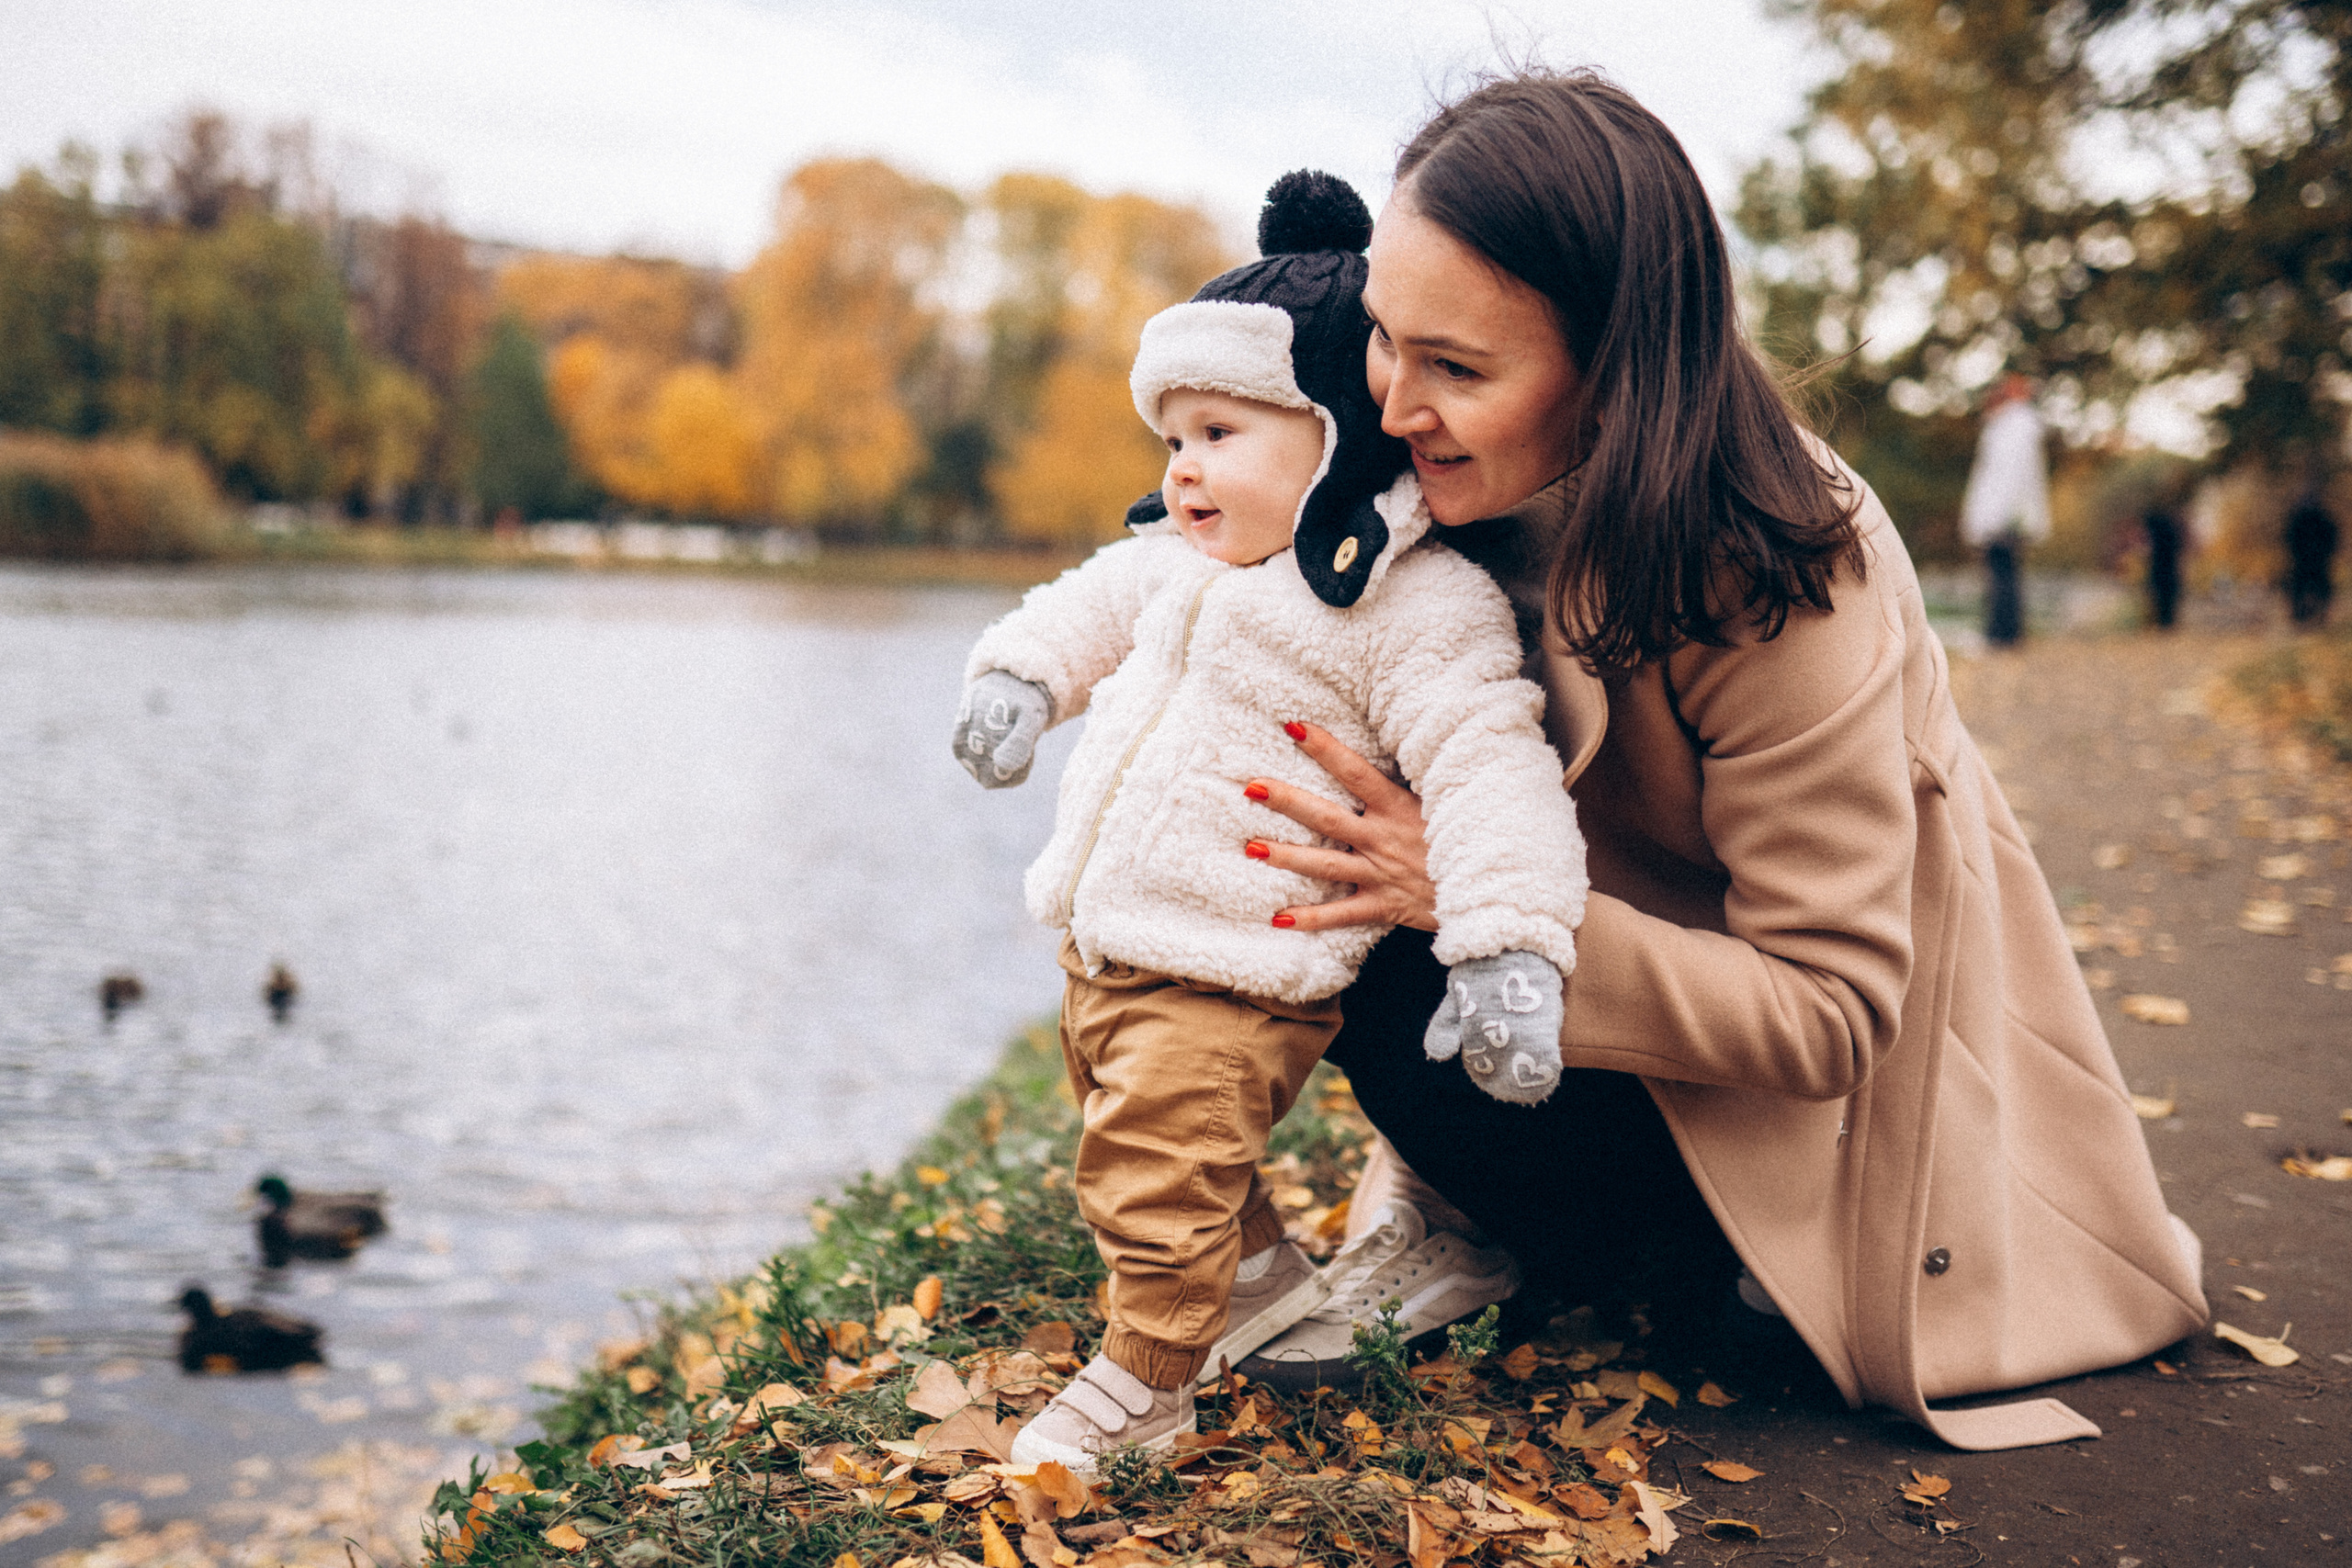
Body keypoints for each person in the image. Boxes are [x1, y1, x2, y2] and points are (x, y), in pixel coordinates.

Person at [1227, 71, 2207, 1452]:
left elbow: (1833, 1011)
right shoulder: (1428, 490)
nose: (1390, 404)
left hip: (1781, 1112)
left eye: (1457, 367)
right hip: (1581, 1033)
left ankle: (1618, 1241)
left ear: (1616, 367)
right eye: (1387, 338)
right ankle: (1439, 1211)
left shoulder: (1781, 562)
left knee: (1392, 899)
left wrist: (1480, 899)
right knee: (1280, 821)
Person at [950, 172, 1587, 1474]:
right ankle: (1251, 1278)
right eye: (1172, 438)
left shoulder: (1411, 606)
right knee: (1125, 1124)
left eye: (1221, 434)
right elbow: (1078, 608)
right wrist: (1016, 684)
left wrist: (1508, 938)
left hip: (1240, 958)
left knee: (1158, 1173)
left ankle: (1146, 1380)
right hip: (1113, 934)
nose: (1183, 469)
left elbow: (1488, 763)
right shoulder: (1176, 562)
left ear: (1336, 432)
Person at [1960, 373, 2051, 647]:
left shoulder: (2014, 427)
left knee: (2002, 575)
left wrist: (1995, 518)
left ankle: (2001, 636)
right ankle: (2007, 634)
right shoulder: (2012, 427)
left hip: (2004, 518)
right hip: (2007, 516)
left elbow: (2007, 478)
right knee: (2007, 573)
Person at [2284, 489, 2338, 626]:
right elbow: (2290, 538)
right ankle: (2306, 615)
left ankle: (2312, 615)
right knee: (2307, 585)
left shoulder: (2302, 519)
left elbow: (2289, 538)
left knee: (2311, 585)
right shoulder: (2313, 519)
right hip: (2308, 559)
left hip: (2313, 559)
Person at [2140, 503, 2185, 630]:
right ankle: (2165, 622)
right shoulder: (2170, 532)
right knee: (2165, 593)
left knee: (2160, 593)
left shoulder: (2156, 532)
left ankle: (2163, 622)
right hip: (2167, 569)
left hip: (2161, 568)